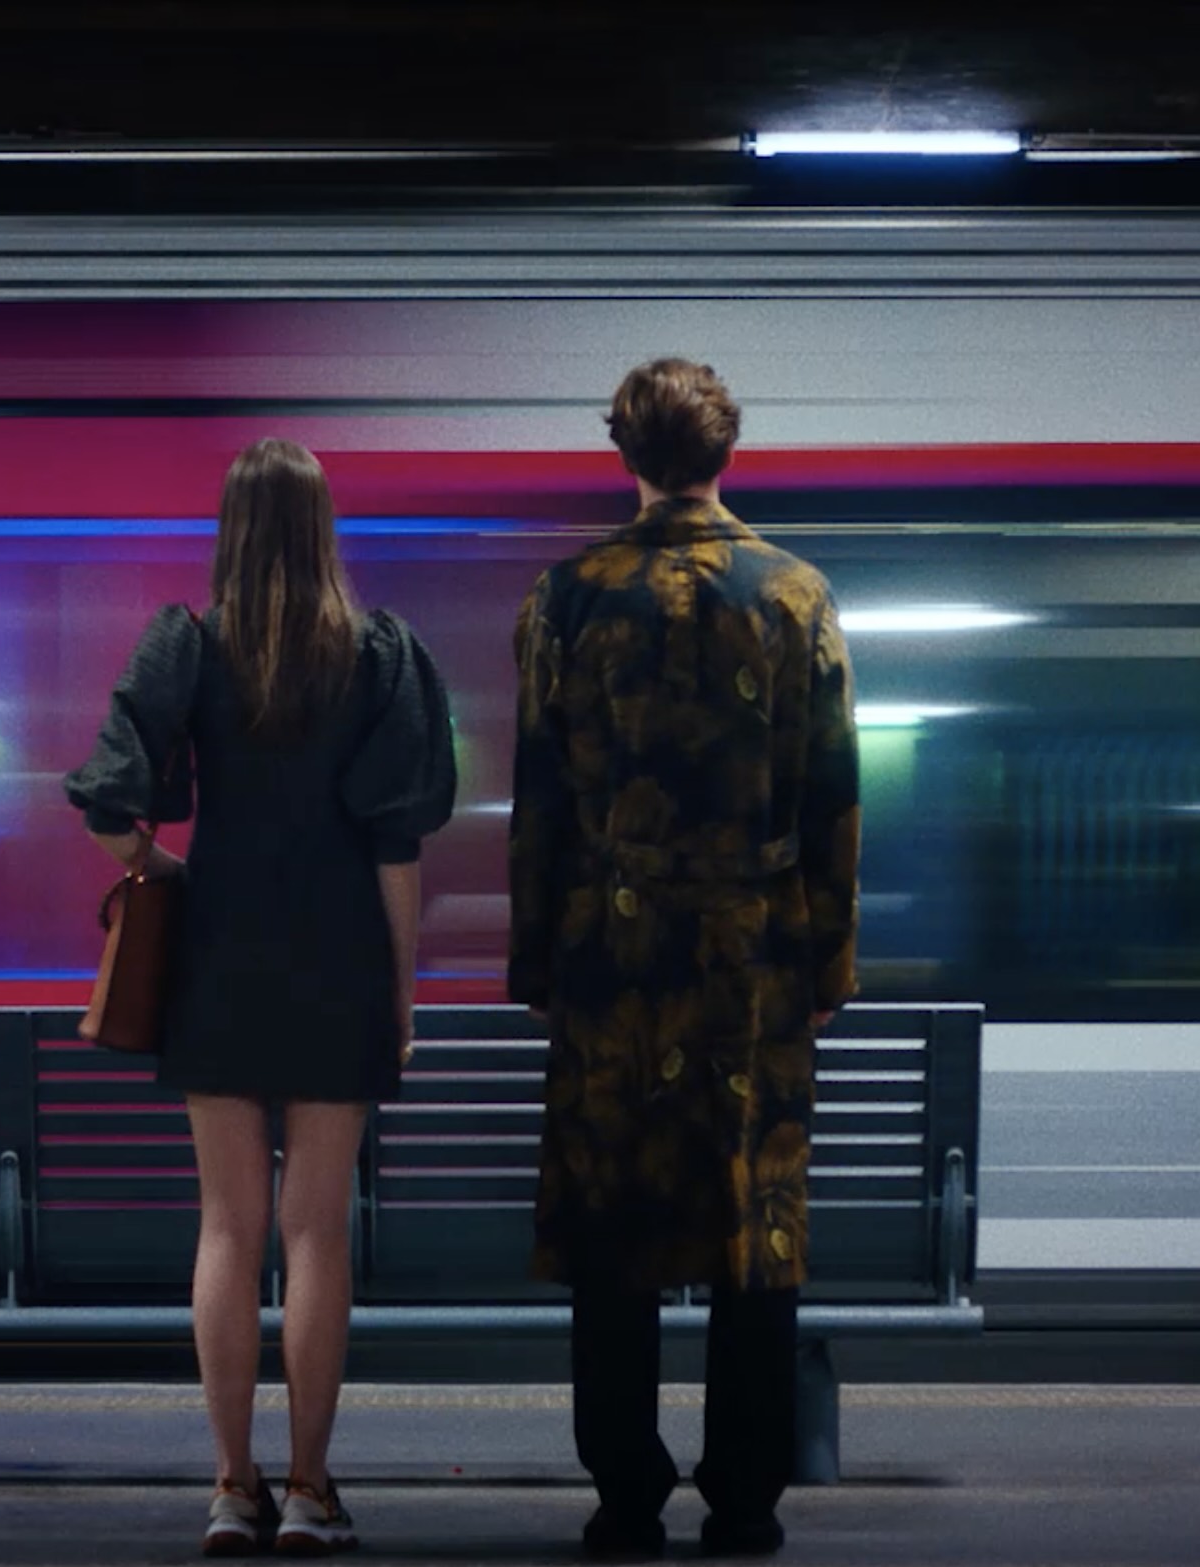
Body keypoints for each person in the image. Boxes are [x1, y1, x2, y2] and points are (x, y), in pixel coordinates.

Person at [64, 436, 458, 1558]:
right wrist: (400, 992)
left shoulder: (189, 645)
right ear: (323, 529)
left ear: (230, 532)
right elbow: (397, 846)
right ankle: (309, 1491)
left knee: (228, 1226)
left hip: (221, 957)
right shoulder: (380, 656)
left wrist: (171, 873)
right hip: (339, 958)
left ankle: (232, 1486)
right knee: (316, 1231)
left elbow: (107, 803)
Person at [508, 359, 861, 1559]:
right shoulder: (797, 594)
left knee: (616, 1227)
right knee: (753, 1226)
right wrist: (827, 966)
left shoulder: (565, 599)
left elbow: (541, 802)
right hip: (753, 955)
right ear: (726, 452)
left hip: (612, 953)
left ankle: (625, 1493)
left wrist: (540, 964)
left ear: (625, 454)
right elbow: (833, 798)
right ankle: (747, 1496)